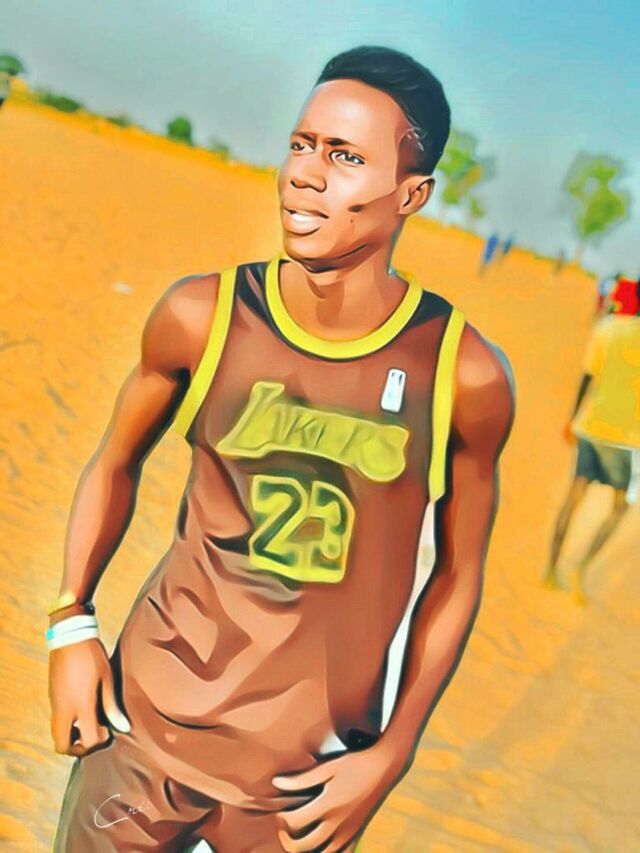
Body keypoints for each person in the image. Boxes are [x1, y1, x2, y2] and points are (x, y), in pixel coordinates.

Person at [49, 45, 514, 852]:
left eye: (344, 157)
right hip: (141, 735)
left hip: (306, 785)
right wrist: (69, 622)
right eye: (302, 145)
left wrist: (393, 752)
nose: (305, 174)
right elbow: (115, 459)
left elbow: (458, 571)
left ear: (413, 193)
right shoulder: (203, 314)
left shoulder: (461, 373)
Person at [544, 279, 640, 602]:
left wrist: (572, 418)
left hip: (593, 426)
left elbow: (588, 375)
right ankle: (581, 566)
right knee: (621, 507)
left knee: (574, 496)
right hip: (630, 440)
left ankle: (551, 568)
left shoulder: (608, 328)